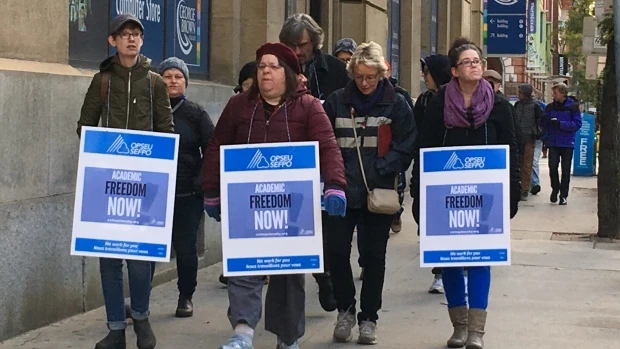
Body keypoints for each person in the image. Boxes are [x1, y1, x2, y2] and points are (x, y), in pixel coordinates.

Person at [202, 43, 347, 349]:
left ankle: (288, 337)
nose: (266, 71)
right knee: (242, 265)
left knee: (289, 273)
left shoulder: (308, 106)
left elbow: (328, 146)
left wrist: (335, 184)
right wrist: (211, 190)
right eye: (262, 66)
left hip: (293, 206)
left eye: (274, 66)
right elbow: (217, 145)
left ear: (291, 74)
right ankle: (242, 332)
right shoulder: (240, 105)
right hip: (247, 202)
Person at [414, 38, 520, 349]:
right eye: (467, 62)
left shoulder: (498, 105)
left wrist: (512, 193)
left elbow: (511, 150)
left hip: (487, 196)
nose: (474, 66)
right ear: (454, 71)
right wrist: (419, 194)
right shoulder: (438, 103)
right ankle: (458, 327)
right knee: (449, 260)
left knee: (479, 260)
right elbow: (425, 148)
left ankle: (476, 331)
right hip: (445, 196)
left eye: (478, 61)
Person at [77, 14, 174, 349]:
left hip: (145, 182)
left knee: (139, 258)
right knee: (108, 259)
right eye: (124, 34)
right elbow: (85, 125)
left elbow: (167, 130)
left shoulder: (155, 82)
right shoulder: (102, 80)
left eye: (136, 34)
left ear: (142, 41)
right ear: (112, 41)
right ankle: (116, 328)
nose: (131, 39)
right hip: (108, 182)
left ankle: (142, 320)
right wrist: (101, 152)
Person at [323, 41, 416, 345]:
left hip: (378, 192)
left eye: (371, 77)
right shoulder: (335, 102)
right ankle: (345, 309)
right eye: (360, 77)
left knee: (373, 257)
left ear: (380, 74)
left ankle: (369, 318)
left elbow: (406, 145)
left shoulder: (397, 104)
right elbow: (324, 143)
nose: (365, 83)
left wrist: (381, 168)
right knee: (335, 251)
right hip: (341, 191)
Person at [279, 13, 350, 312]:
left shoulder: (335, 70)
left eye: (303, 44)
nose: (297, 51)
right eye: (292, 45)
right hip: (290, 160)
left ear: (315, 42)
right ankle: (321, 279)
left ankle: (327, 277)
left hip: (327, 156)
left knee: (327, 229)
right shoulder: (276, 68)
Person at [158, 57, 214, 317]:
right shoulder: (150, 110)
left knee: (186, 248)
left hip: (187, 193)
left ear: (185, 82)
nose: (172, 81)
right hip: (155, 192)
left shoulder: (195, 113)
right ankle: (139, 300)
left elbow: (212, 148)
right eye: (167, 75)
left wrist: (200, 181)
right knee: (148, 249)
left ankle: (185, 296)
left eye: (177, 76)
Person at [411, 54, 452, 295]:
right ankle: (441, 270)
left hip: (449, 169)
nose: (424, 77)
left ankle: (445, 271)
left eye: (427, 72)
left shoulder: (454, 100)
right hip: (428, 167)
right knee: (427, 221)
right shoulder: (425, 101)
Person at [219, 61, 258, 287]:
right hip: (239, 175)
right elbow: (220, 139)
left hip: (263, 175)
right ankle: (235, 265)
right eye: (246, 84)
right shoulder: (235, 106)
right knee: (239, 224)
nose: (250, 88)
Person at [543, 83, 582, 205]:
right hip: (553, 142)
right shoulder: (550, 107)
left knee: (565, 170)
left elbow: (577, 124)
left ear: (563, 93)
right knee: (552, 167)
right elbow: (544, 123)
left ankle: (563, 195)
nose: (553, 95)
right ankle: (555, 188)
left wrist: (560, 124)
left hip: (567, 143)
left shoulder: (573, 106)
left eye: (555, 93)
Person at [514, 84, 544, 201]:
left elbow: (542, 120)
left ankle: (524, 189)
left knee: (527, 165)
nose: (519, 94)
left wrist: (538, 133)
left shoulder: (535, 106)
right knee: (518, 164)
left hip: (529, 139)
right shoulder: (517, 105)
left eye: (520, 92)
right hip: (517, 139)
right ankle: (518, 187)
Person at [530, 99, 548, 195]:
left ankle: (534, 183)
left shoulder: (539, 107)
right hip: (530, 137)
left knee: (533, 161)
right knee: (531, 162)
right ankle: (532, 183)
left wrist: (542, 135)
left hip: (536, 138)